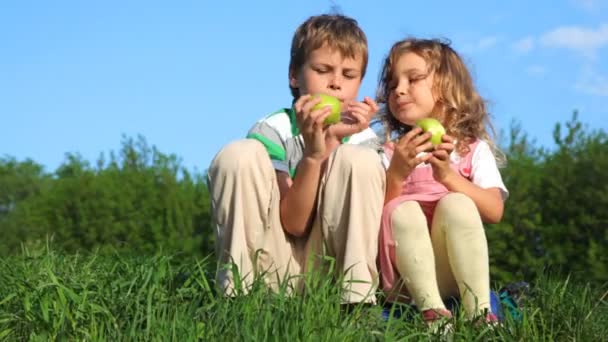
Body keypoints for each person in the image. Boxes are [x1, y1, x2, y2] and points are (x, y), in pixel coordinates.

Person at [207, 13, 385, 304]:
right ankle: (236, 295)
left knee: (359, 161)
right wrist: (314, 156)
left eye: (349, 75)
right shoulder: (273, 130)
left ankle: (356, 302)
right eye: (322, 69)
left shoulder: (364, 140)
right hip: (272, 266)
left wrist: (335, 141)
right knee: (238, 155)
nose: (336, 83)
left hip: (331, 270)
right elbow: (294, 224)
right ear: (294, 74)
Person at [375, 37, 508, 324]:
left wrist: (448, 176)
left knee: (457, 203)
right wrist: (397, 174)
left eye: (413, 79)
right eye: (392, 83)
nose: (398, 90)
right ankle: (432, 313)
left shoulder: (471, 150)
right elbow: (374, 220)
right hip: (406, 282)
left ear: (447, 86)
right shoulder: (387, 153)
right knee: (404, 210)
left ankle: (479, 312)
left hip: (452, 273)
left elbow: (494, 211)